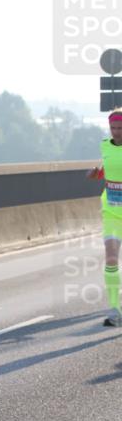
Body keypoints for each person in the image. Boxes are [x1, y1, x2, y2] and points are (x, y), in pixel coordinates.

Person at [87, 108, 122, 327]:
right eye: (113, 128)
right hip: (111, 211)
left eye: (120, 128)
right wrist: (95, 173)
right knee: (111, 258)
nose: (116, 132)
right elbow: (106, 170)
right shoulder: (105, 145)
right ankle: (115, 310)